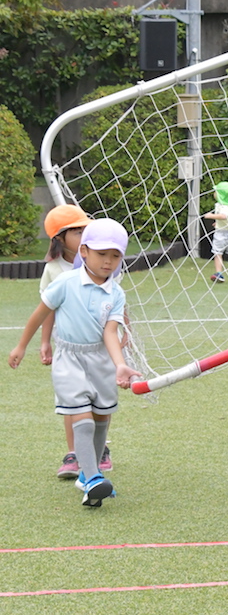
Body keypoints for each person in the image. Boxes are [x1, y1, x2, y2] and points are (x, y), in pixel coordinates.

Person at [8, 218, 141, 507]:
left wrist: (119, 363)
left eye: (115, 256)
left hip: (102, 360)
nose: (108, 262)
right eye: (101, 254)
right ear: (84, 252)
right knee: (81, 417)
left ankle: (87, 473)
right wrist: (22, 346)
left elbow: (110, 331)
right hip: (69, 358)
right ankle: (93, 477)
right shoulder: (65, 283)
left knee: (101, 417)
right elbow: (41, 313)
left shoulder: (116, 293)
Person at [38, 205, 114, 479]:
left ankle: (100, 449)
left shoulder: (103, 261)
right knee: (73, 401)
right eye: (78, 231)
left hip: (99, 345)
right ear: (59, 237)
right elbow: (47, 308)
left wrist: (123, 329)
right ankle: (74, 453)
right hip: (68, 347)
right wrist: (45, 342)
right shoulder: (53, 270)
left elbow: (115, 299)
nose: (85, 234)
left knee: (100, 400)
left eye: (86, 229)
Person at [203, 181, 228, 283]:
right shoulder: (219, 205)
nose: (214, 193)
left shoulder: (226, 207)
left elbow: (224, 216)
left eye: (216, 191)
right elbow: (223, 219)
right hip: (220, 232)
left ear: (220, 194)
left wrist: (211, 216)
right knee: (217, 252)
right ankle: (218, 273)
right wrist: (218, 223)